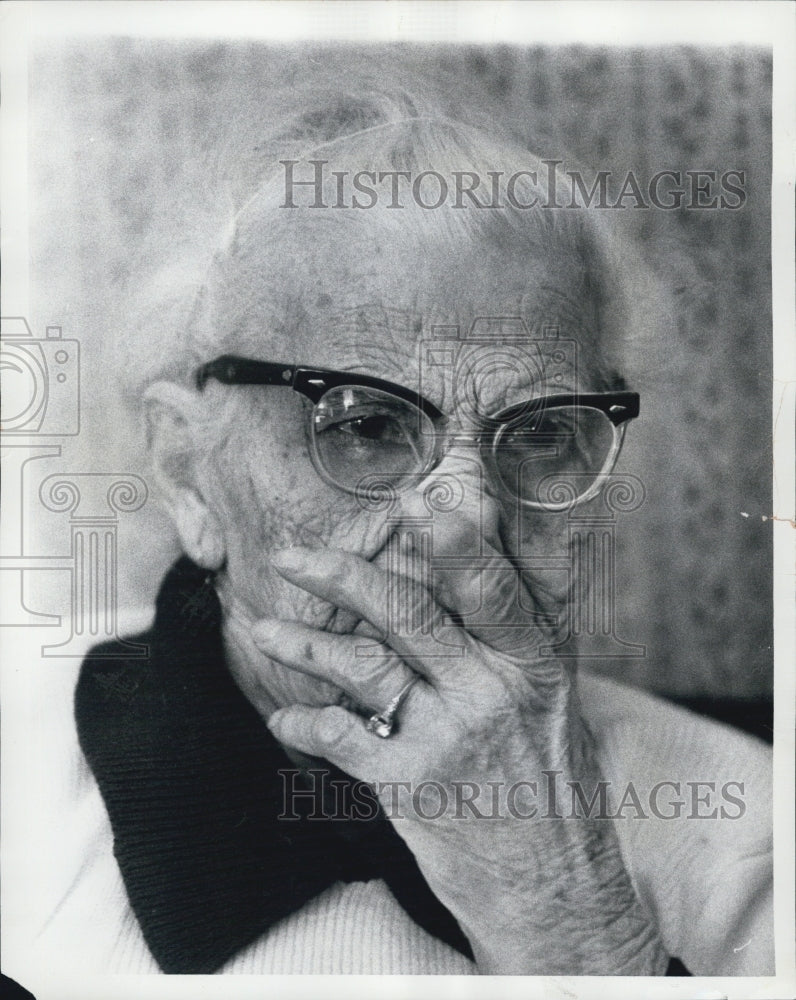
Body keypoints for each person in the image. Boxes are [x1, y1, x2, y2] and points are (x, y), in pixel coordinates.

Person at [62, 84, 772, 977]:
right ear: (189, 473)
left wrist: (568, 919)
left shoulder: (752, 830)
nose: (468, 512)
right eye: (363, 425)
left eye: (543, 432)